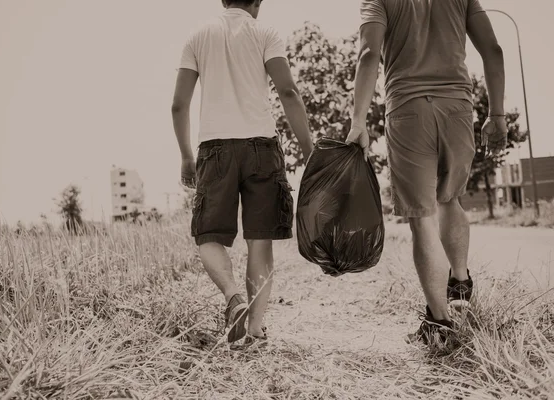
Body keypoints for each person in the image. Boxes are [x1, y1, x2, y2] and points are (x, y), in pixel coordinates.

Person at [347, 0, 507, 345]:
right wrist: (496, 115)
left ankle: (440, 323)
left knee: (422, 216)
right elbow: (493, 50)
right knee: (450, 199)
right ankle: (460, 283)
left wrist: (358, 120)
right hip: (458, 108)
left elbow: (369, 55)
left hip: (408, 109)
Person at [171, 0, 314, 347]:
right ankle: (254, 330)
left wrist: (186, 156)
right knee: (259, 241)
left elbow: (179, 104)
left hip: (214, 148)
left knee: (208, 236)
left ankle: (233, 296)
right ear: (258, 1)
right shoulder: (265, 33)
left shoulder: (198, 36)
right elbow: (288, 91)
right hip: (261, 146)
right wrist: (310, 150)